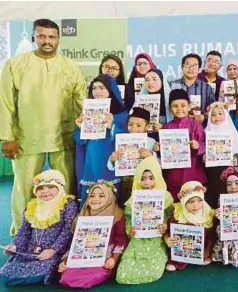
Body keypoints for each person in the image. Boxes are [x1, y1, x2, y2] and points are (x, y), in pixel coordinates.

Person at [0, 19, 86, 235]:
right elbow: (6, 103)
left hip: (64, 135)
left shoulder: (70, 66)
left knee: (67, 185)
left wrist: (86, 132)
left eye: (51, 37)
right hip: (27, 136)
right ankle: (23, 231)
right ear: (34, 37)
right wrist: (7, 137)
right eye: (42, 36)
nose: (47, 41)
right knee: (25, 187)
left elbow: (81, 102)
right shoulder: (15, 65)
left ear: (58, 39)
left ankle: (66, 229)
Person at [0, 170, 79, 285]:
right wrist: (15, 245)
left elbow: (67, 231)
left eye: (51, 187)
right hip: (31, 250)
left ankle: (49, 271)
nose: (45, 191)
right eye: (41, 188)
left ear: (60, 187)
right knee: (6, 274)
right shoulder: (32, 206)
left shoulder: (68, 205)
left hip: (55, 252)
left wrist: (53, 250)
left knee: (44, 269)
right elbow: (24, 230)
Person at [58, 182, 129, 289]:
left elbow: (121, 239)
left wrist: (113, 259)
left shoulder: (117, 215)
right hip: (81, 256)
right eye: (92, 195)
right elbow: (75, 241)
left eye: (101, 196)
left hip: (104, 258)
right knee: (66, 278)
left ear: (110, 197)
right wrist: (66, 260)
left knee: (92, 276)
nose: (95, 199)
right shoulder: (83, 214)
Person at [115, 156, 173, 284]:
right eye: (142, 178)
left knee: (153, 271)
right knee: (122, 275)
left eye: (151, 178)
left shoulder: (166, 196)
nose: (147, 182)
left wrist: (165, 226)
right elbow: (129, 217)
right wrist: (130, 230)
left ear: (157, 178)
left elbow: (170, 216)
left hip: (156, 238)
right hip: (138, 239)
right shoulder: (134, 197)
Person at [75, 75, 128, 202]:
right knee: (90, 195)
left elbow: (125, 140)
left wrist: (112, 126)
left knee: (109, 195)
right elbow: (79, 142)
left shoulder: (122, 115)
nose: (97, 92)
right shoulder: (87, 112)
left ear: (110, 90)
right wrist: (80, 128)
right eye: (94, 88)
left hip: (109, 159)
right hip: (91, 159)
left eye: (101, 88)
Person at [159, 89, 206, 201]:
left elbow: (205, 143)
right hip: (174, 174)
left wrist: (198, 146)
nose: (179, 109)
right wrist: (158, 148)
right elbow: (164, 150)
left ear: (189, 106)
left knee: (193, 201)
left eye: (183, 105)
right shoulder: (167, 127)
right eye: (175, 106)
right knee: (175, 202)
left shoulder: (195, 125)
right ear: (170, 109)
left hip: (193, 171)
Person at [107, 107, 158, 207]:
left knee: (144, 206)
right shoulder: (122, 140)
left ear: (147, 127)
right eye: (130, 124)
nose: (134, 128)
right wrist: (112, 159)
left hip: (146, 182)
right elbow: (111, 165)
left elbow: (158, 164)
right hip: (127, 181)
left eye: (139, 125)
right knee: (126, 205)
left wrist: (151, 155)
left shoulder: (151, 142)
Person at [164, 181, 215, 270]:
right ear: (184, 202)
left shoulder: (207, 211)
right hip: (182, 248)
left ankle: (202, 255)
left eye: (199, 201)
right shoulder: (177, 212)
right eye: (191, 202)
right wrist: (167, 239)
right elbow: (168, 229)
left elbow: (211, 236)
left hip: (201, 249)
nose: (196, 205)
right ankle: (177, 261)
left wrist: (207, 251)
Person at [212, 167, 238, 267]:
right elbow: (220, 215)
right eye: (229, 184)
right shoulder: (222, 200)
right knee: (223, 232)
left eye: (237, 183)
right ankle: (226, 256)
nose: (233, 187)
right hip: (227, 227)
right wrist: (218, 215)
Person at [203, 102, 238, 208]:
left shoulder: (231, 131)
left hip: (227, 169)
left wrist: (235, 158)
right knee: (214, 193)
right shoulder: (206, 132)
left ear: (225, 115)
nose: (217, 117)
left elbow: (237, 149)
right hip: (212, 171)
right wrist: (204, 157)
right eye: (213, 115)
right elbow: (202, 150)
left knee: (227, 192)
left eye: (220, 113)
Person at [169, 53, 218, 126]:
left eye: (194, 65)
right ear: (182, 67)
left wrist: (204, 117)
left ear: (199, 69)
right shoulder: (171, 86)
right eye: (187, 64)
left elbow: (214, 109)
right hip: (176, 128)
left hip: (199, 128)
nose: (190, 68)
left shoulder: (207, 88)